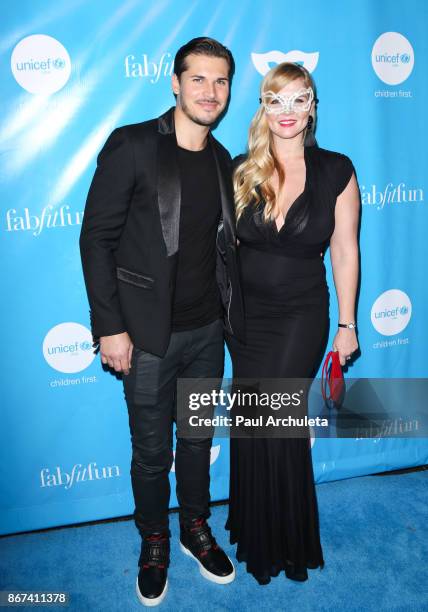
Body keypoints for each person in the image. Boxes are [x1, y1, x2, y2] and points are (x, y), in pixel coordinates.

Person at [80, 37, 245, 607]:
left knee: (197, 441)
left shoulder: (225, 161)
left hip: (206, 335)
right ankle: (153, 539)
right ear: (174, 82)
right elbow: (96, 239)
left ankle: (195, 527)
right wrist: (110, 327)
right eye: (198, 79)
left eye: (220, 81)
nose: (210, 91)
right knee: (152, 452)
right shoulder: (132, 146)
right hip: (146, 338)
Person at [225, 62, 360, 585]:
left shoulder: (336, 170)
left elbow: (345, 251)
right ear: (263, 106)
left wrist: (347, 325)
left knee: (276, 420)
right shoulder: (240, 170)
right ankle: (253, 526)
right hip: (244, 319)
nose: (286, 112)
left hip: (302, 314)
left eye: (297, 99)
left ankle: (287, 541)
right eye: (275, 100)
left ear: (312, 107)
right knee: (252, 420)